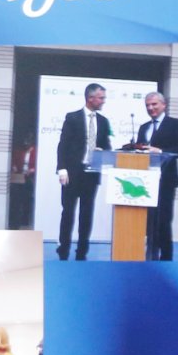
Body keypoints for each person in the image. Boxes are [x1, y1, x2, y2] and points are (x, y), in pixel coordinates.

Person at [127, 90, 178, 260]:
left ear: (163, 105)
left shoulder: (175, 124)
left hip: (166, 180)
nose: (150, 108)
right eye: (147, 105)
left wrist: (159, 151)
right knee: (147, 222)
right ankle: (149, 256)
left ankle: (166, 259)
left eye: (154, 104)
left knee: (163, 222)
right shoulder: (144, 127)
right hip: (145, 181)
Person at [55, 83, 113, 260]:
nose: (103, 101)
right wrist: (62, 169)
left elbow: (107, 145)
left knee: (86, 214)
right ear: (90, 98)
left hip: (91, 174)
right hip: (72, 173)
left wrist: (104, 151)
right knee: (68, 212)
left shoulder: (103, 121)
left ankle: (82, 252)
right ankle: (63, 249)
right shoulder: (72, 118)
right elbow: (63, 145)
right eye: (101, 98)